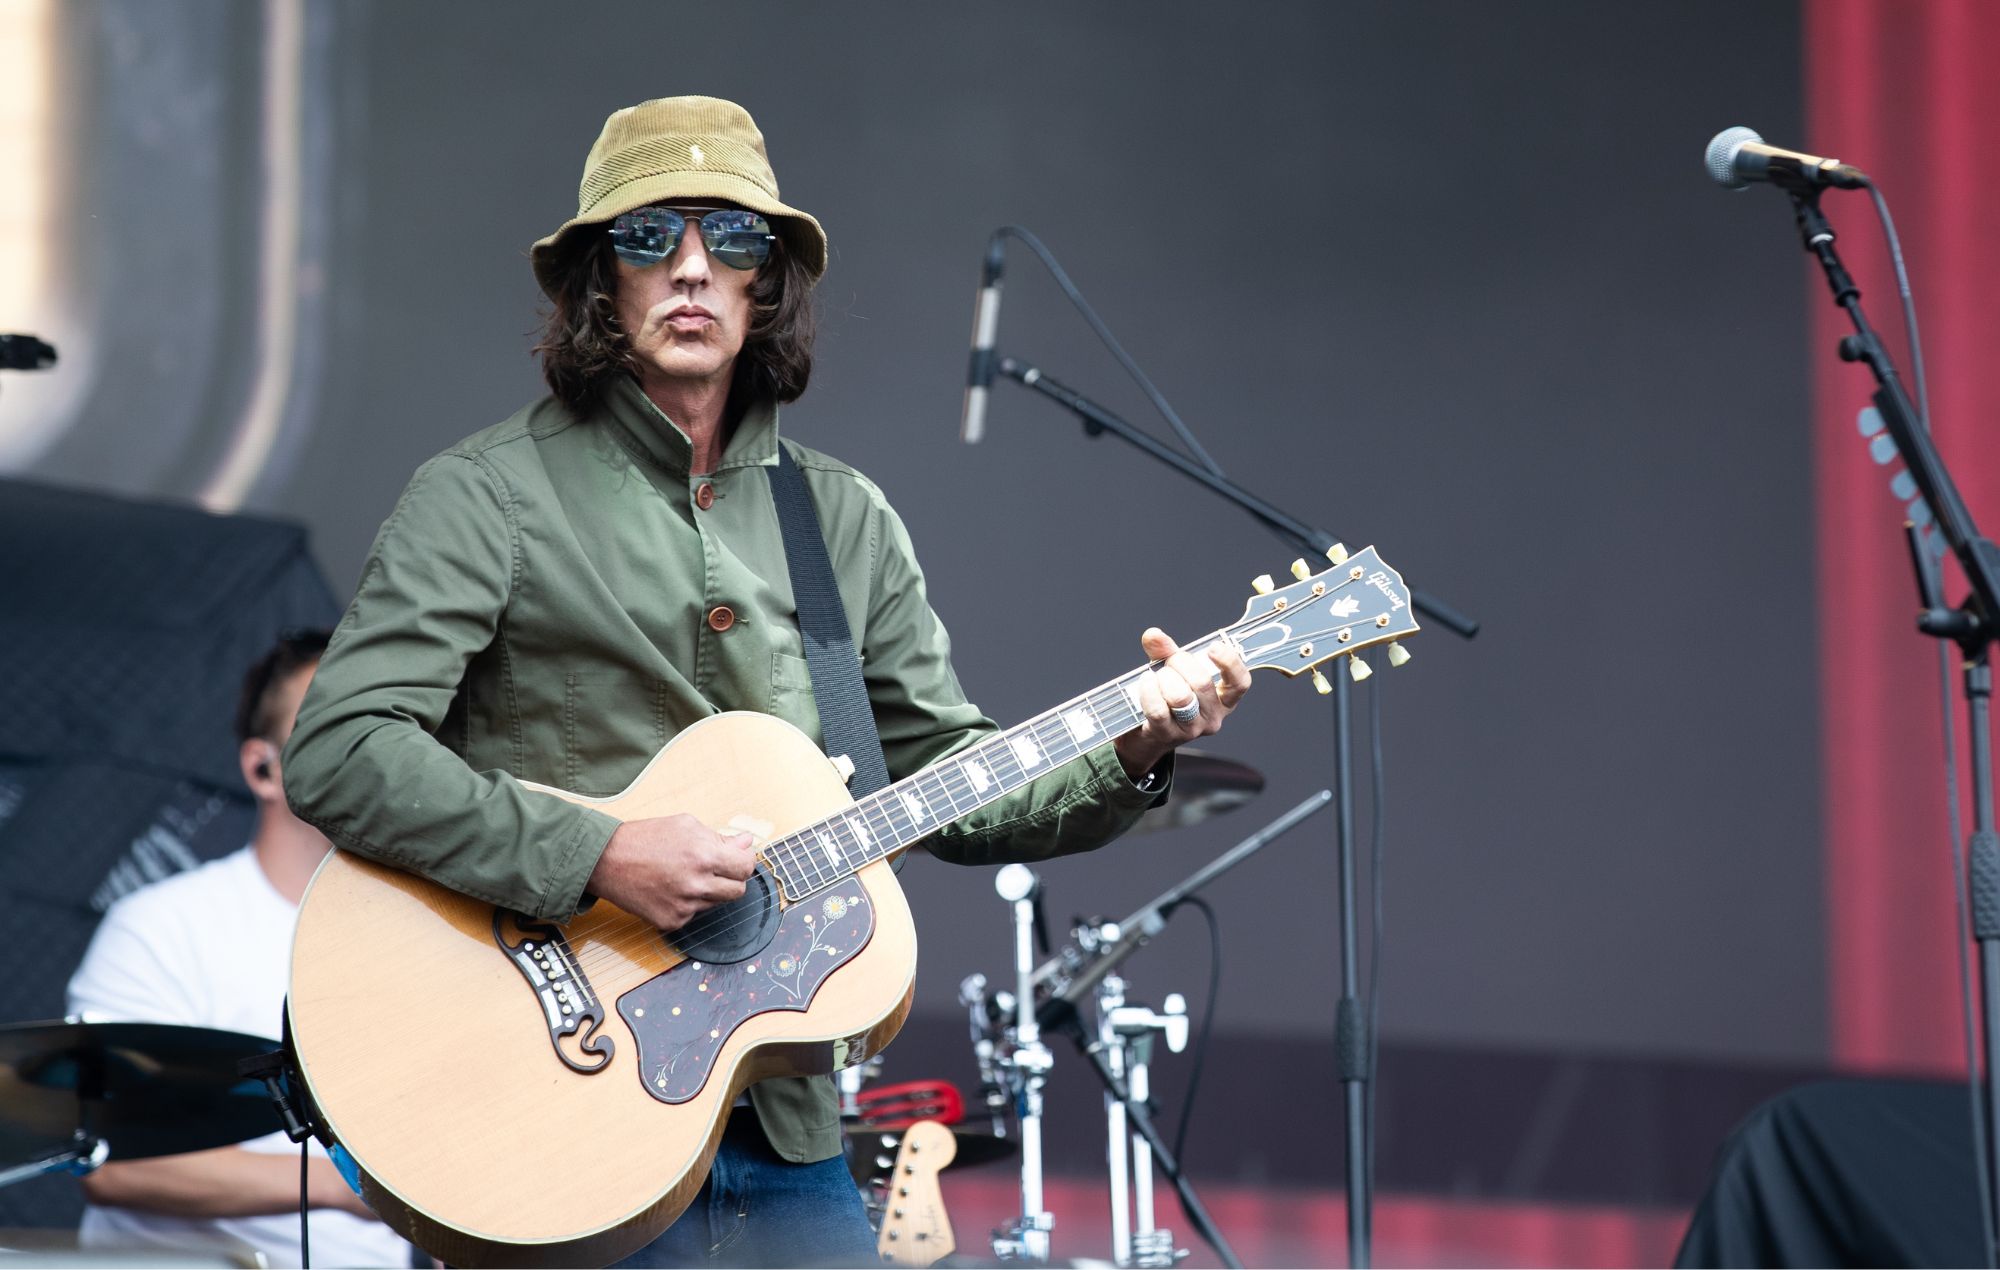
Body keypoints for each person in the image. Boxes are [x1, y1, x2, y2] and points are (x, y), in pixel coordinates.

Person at [281, 95, 1250, 1268]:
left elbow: (947, 771)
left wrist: (1134, 746)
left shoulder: (837, 516)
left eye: (732, 240)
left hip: (783, 1127)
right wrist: (597, 856)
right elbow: (340, 747)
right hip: (551, 1096)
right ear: (600, 281)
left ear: (766, 285)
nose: (692, 268)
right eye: (651, 238)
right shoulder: (483, 495)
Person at [66, 631, 410, 1268]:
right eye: (335, 722)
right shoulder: (160, 926)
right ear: (263, 768)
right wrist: (346, 1186)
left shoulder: (425, 941)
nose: (371, 749)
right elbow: (107, 1160)